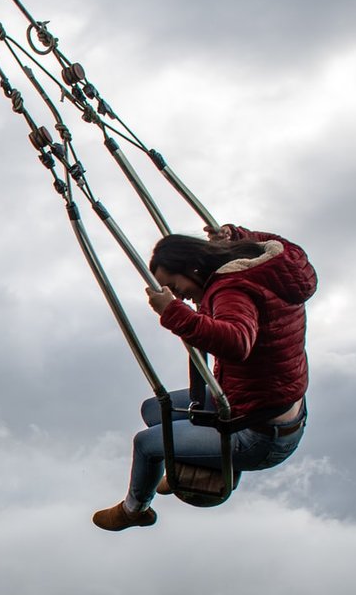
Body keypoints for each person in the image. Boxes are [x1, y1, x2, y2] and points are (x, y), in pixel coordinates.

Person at [92, 222, 318, 531]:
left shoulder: (230, 289)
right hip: (263, 402)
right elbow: (282, 245)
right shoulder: (268, 268)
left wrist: (172, 312)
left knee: (146, 444)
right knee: (153, 409)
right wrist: (236, 235)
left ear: (194, 268)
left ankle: (135, 509)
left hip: (261, 435)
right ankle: (200, 454)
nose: (180, 296)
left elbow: (237, 342)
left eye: (175, 285)